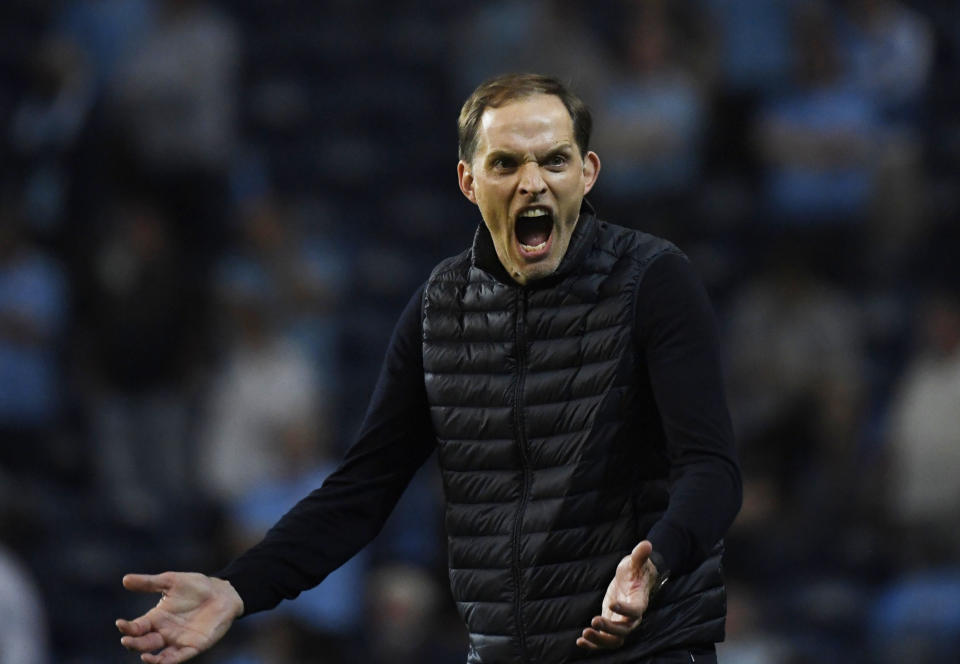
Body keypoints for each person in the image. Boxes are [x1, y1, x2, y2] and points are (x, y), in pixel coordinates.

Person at [117, 73, 742, 664]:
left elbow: (711, 469)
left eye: (554, 160)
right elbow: (362, 490)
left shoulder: (654, 282)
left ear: (588, 172)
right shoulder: (439, 308)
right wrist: (237, 588)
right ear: (469, 182)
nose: (533, 182)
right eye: (507, 163)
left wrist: (655, 563)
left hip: (647, 648)